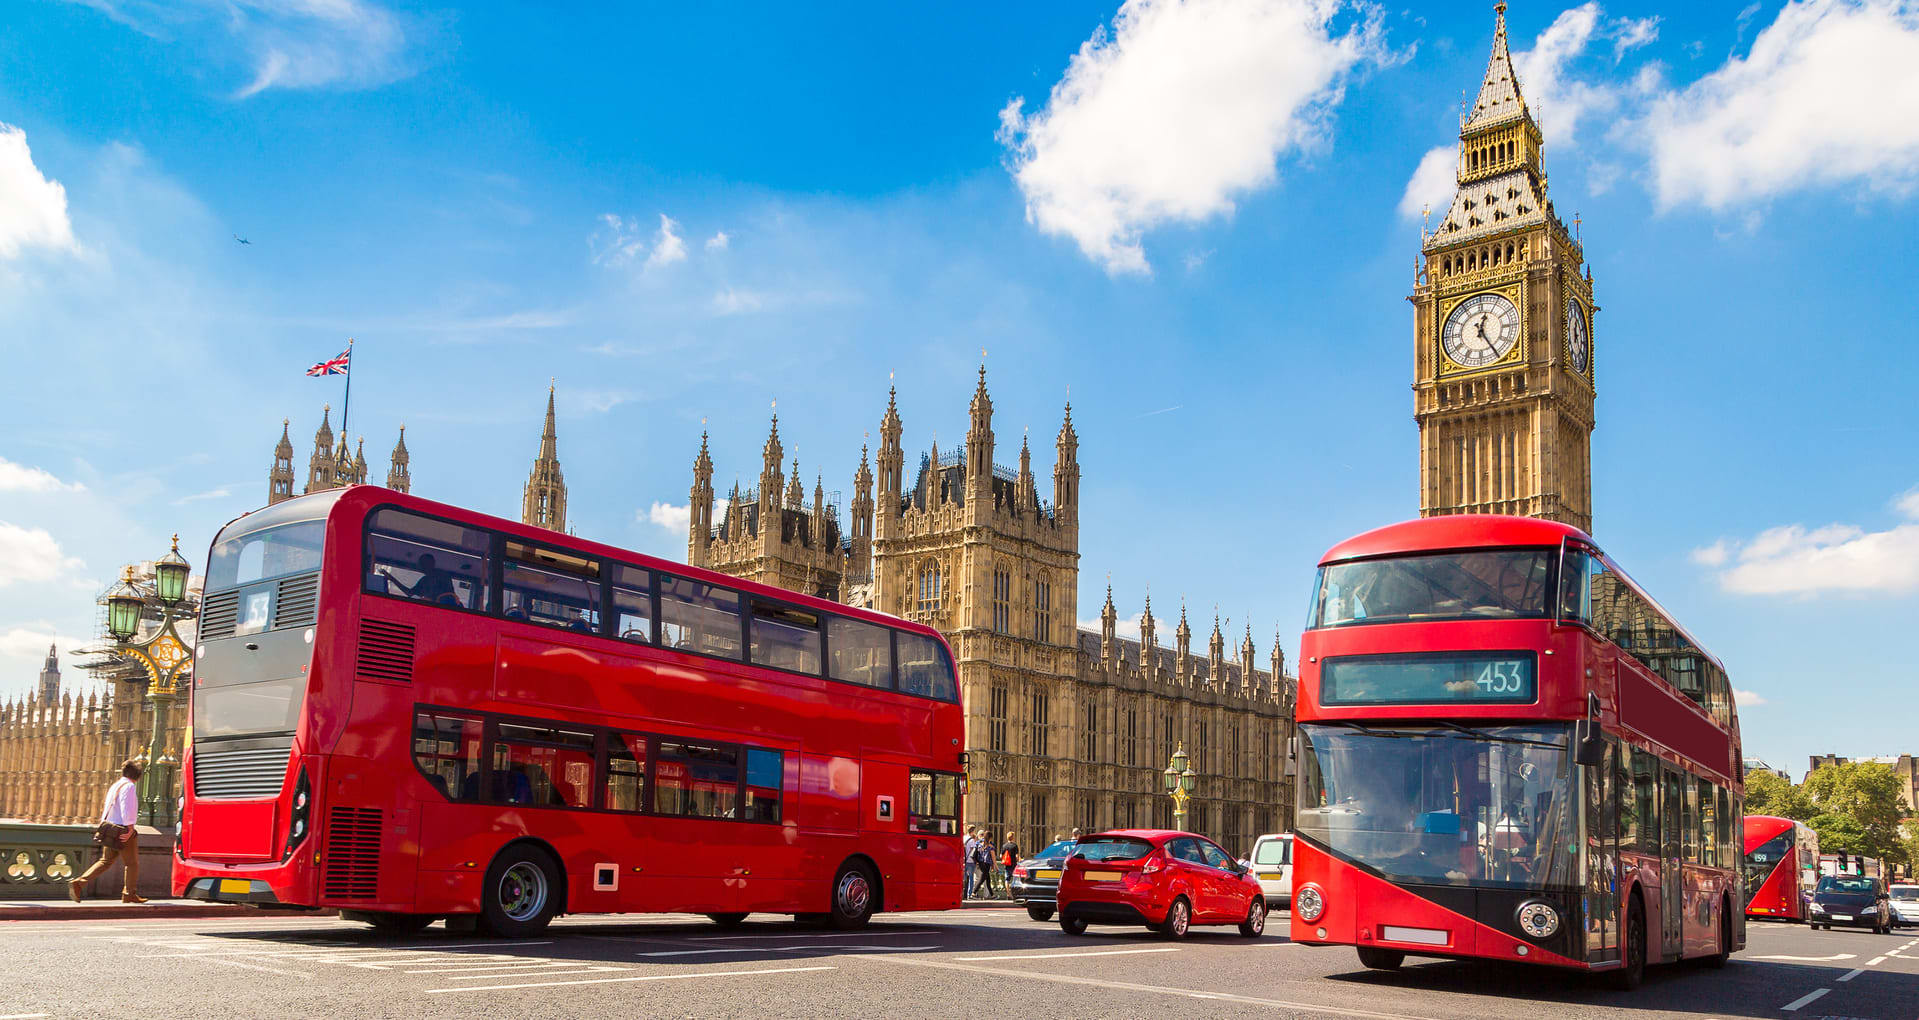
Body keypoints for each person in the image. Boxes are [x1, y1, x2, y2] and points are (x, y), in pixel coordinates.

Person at [70, 759, 145, 903]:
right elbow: (126, 808)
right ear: (138, 776)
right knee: (132, 864)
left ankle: (79, 883)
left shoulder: (116, 785)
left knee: (105, 861)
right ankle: (129, 894)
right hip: (122, 830)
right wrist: (130, 828)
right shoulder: (129, 786)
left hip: (111, 828)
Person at [383, 552, 457, 604]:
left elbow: (447, 594)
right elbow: (410, 593)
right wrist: (392, 579)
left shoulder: (443, 575)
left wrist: (431, 599)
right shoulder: (424, 581)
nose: (422, 566)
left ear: (432, 563)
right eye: (421, 563)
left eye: (425, 563)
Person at [962, 828, 981, 899]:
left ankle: (962, 894)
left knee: (963, 878)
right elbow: (973, 851)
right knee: (971, 878)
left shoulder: (963, 838)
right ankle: (969, 895)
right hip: (970, 861)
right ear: (972, 831)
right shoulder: (972, 840)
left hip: (964, 860)